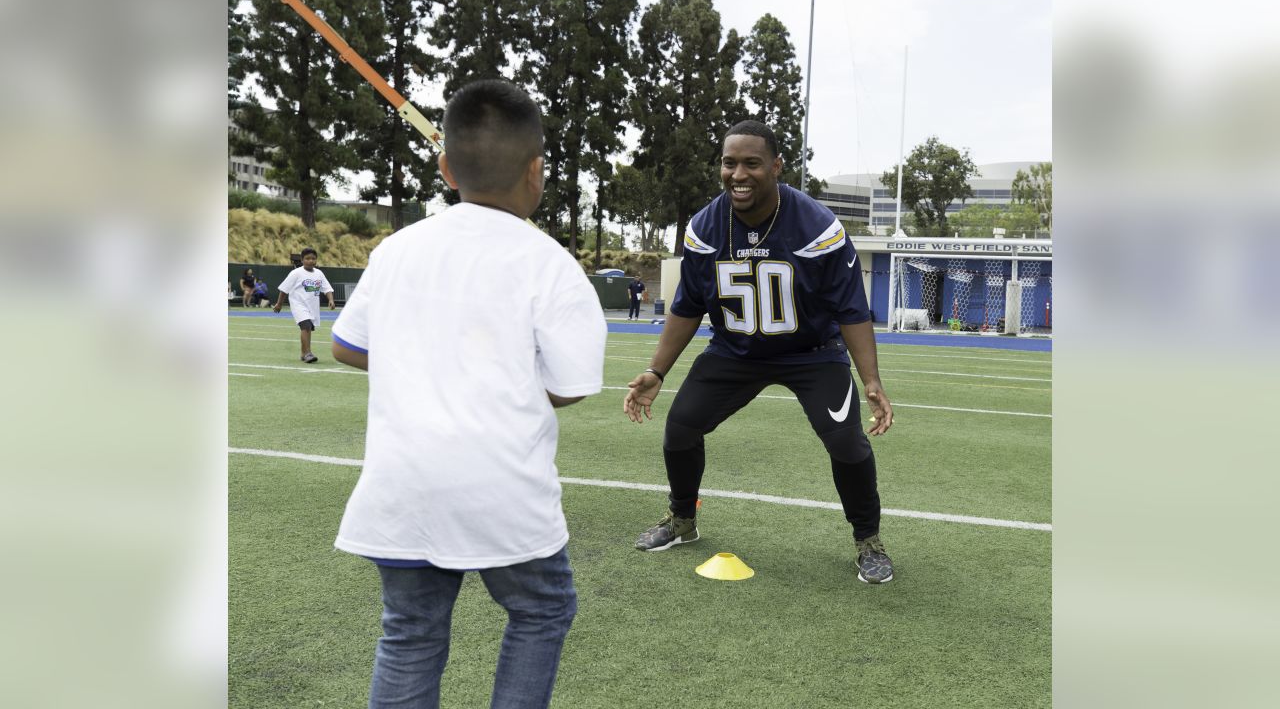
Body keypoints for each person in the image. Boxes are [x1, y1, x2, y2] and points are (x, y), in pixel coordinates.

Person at [329, 79, 607, 709]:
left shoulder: (397, 249)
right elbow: (569, 388)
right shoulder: (550, 263)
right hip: (501, 485)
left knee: (410, 635)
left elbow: (346, 344)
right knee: (542, 610)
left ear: (444, 166)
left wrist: (422, 364)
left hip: (404, 485)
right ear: (537, 172)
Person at [622, 120, 897, 584]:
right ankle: (683, 521)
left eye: (751, 163)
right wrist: (657, 370)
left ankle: (868, 540)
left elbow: (852, 309)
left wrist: (870, 378)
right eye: (730, 163)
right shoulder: (706, 226)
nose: (739, 174)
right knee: (681, 427)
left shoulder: (816, 226)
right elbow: (688, 307)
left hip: (812, 351)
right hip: (735, 351)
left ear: (776, 166)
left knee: (847, 443)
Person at [272, 248, 335, 363]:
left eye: (313, 258)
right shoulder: (296, 273)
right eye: (307, 258)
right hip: (298, 304)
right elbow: (284, 289)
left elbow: (327, 288)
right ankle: (307, 353)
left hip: (312, 306)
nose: (310, 261)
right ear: (302, 260)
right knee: (306, 326)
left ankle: (303, 353)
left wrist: (331, 300)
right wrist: (279, 304)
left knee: (308, 327)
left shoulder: (319, 273)